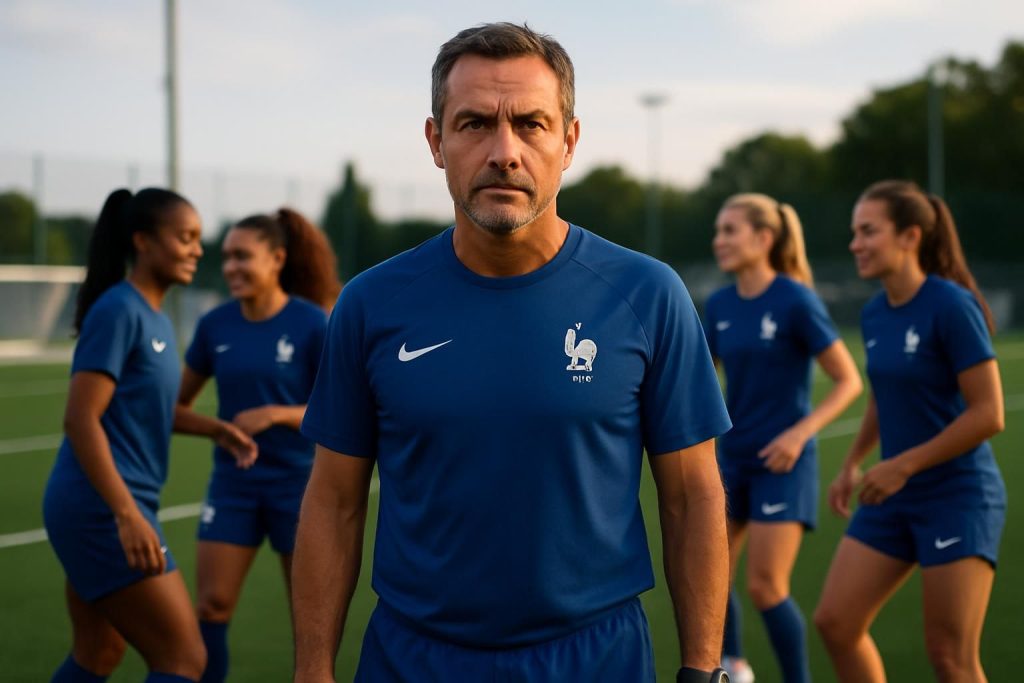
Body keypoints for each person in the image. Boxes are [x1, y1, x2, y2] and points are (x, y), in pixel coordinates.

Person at [291, 21, 733, 683]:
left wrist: (703, 668)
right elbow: (333, 501)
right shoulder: (369, 303)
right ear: (436, 142)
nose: (505, 150)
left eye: (530, 123)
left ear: (569, 140)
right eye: (474, 124)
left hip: (596, 657)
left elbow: (692, 496)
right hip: (414, 658)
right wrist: (312, 668)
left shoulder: (647, 294)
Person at [814, 180, 1006, 682]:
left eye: (868, 231)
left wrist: (902, 464)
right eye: (855, 232)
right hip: (894, 494)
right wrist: (855, 459)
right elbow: (884, 393)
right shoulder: (876, 312)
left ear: (910, 236)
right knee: (836, 622)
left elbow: (989, 414)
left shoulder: (951, 305)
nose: (855, 243)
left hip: (956, 496)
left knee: (951, 658)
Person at [42, 188, 234, 683]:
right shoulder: (118, 310)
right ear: (144, 242)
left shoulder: (156, 317)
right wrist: (126, 514)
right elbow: (81, 418)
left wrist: (217, 429)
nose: (197, 249)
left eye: (197, 238)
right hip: (102, 509)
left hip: (112, 505)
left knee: (98, 651)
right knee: (184, 660)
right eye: (185, 238)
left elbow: (151, 410)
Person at [174, 208, 339, 683]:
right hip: (234, 484)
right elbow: (175, 408)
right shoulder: (215, 325)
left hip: (301, 488)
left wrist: (277, 414)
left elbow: (342, 409)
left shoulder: (312, 323)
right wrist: (218, 429)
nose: (231, 268)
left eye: (243, 256)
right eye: (226, 257)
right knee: (211, 605)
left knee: (308, 624)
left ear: (277, 259)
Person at [703, 194, 862, 683]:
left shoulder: (795, 299)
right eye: (719, 230)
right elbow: (704, 378)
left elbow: (848, 380)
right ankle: (735, 666)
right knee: (712, 577)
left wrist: (799, 435)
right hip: (732, 458)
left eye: (731, 230)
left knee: (766, 587)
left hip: (783, 465)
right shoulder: (720, 304)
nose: (720, 240)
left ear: (765, 238)